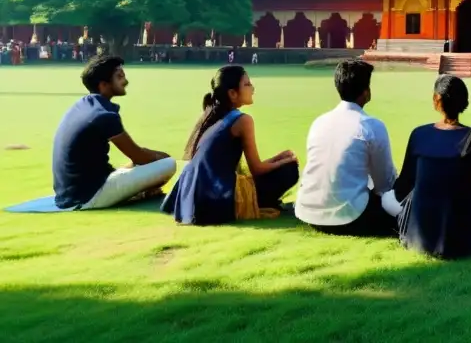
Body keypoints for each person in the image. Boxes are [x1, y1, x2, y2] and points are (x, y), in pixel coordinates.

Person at [384, 75, 471, 259]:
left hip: (419, 235)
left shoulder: (419, 134)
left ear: (436, 100)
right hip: (467, 234)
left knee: (386, 197)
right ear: (465, 102)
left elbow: (404, 186)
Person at [161, 65, 298, 224]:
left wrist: (279, 158)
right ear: (232, 93)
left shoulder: (213, 117)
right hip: (217, 199)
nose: (252, 88)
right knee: (290, 170)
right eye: (247, 84)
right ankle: (257, 202)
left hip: (194, 197)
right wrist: (286, 161)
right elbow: (257, 169)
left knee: (284, 165)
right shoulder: (243, 121)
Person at [52, 56, 176, 210]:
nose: (126, 81)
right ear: (104, 85)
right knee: (168, 164)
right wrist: (163, 157)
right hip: (87, 197)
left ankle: (134, 192)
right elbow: (138, 156)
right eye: (119, 77)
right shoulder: (104, 115)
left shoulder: (82, 105)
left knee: (138, 164)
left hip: (68, 194)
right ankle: (136, 194)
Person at [295, 60, 398, 235]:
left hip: (308, 211)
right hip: (349, 217)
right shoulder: (371, 126)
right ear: (366, 92)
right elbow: (385, 184)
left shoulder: (319, 122)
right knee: (400, 204)